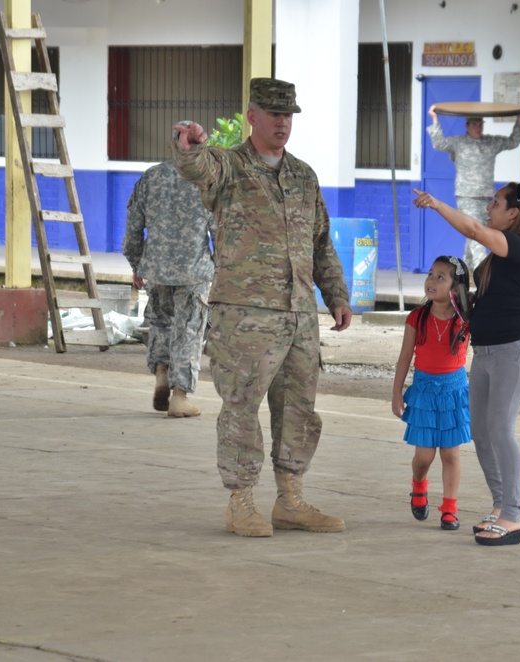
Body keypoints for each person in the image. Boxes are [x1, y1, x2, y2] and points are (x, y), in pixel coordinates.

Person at [172, 78, 353, 538]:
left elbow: (321, 243)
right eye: (273, 114)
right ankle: (241, 501)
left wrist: (336, 296)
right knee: (241, 407)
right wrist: (191, 147)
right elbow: (199, 169)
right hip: (245, 316)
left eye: (288, 114)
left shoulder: (303, 176)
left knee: (299, 408)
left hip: (298, 314)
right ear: (251, 116)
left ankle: (290, 499)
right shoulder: (230, 167)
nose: (282, 122)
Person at [412, 182, 520, 547]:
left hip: (512, 353)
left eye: (496, 203)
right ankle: (501, 504)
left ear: (514, 213)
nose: (489, 208)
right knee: (482, 433)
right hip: (485, 354)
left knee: (501, 429)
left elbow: (472, 229)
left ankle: (514, 515)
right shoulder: (496, 259)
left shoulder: (517, 247)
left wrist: (437, 204)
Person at [121, 130, 215, 419]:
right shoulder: (208, 181)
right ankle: (180, 396)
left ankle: (162, 372)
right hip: (194, 270)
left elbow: (133, 223)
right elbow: (222, 231)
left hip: (157, 268)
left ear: (172, 143)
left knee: (161, 323)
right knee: (188, 330)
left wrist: (137, 263)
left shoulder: (152, 177)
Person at [391, 255, 472, 531]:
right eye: (430, 274)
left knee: (451, 454)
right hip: (424, 392)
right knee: (424, 457)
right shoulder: (417, 317)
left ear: (456, 287)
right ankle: (418, 485)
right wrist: (396, 392)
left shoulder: (466, 320)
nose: (431, 281)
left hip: (454, 393)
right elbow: (404, 357)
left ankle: (449, 508)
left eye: (441, 277)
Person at [426, 106, 520, 271]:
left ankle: (466, 271)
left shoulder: (490, 142)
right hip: (466, 196)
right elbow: (439, 143)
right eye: (474, 124)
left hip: (486, 198)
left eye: (481, 124)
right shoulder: (459, 142)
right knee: (476, 232)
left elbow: (513, 141)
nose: (478, 128)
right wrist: (434, 119)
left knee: (473, 234)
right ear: (467, 126)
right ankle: (484, 272)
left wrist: (519, 120)